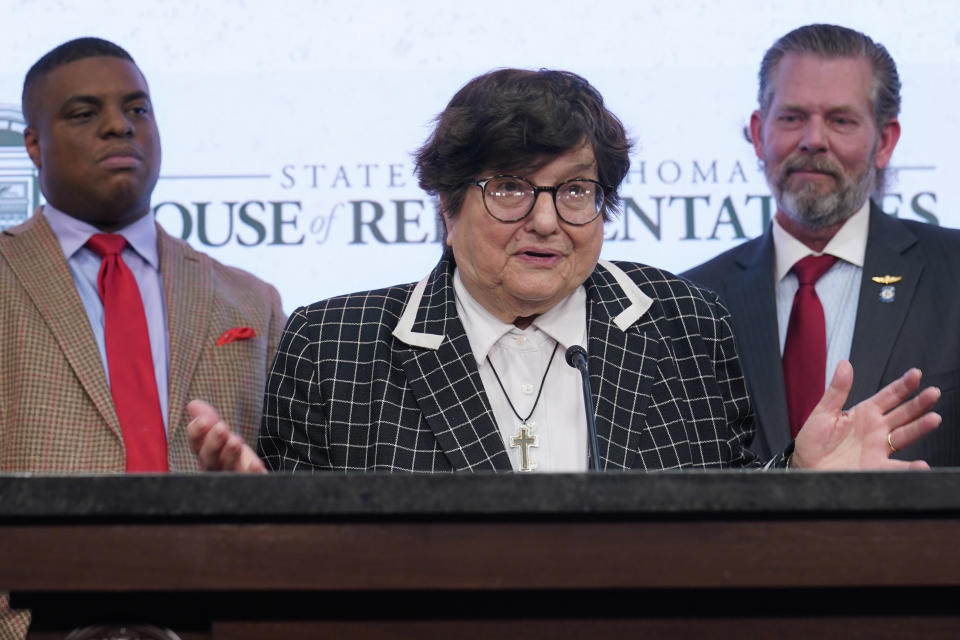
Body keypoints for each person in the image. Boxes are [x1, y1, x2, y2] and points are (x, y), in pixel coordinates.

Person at [189, 67, 938, 475]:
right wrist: (268, 522)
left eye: (575, 191)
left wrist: (799, 486)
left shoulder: (684, 324)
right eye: (511, 188)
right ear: (447, 207)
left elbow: (727, 530)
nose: (546, 220)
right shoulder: (333, 347)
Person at [0, 38, 285, 637]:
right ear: (32, 144)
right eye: (84, 114)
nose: (117, 128)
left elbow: (287, 480)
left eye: (137, 110)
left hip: (212, 617)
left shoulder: (251, 300)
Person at [684, 24, 960, 465]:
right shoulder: (689, 303)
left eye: (841, 120)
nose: (814, 140)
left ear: (884, 141)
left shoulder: (953, 273)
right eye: (792, 117)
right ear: (758, 133)